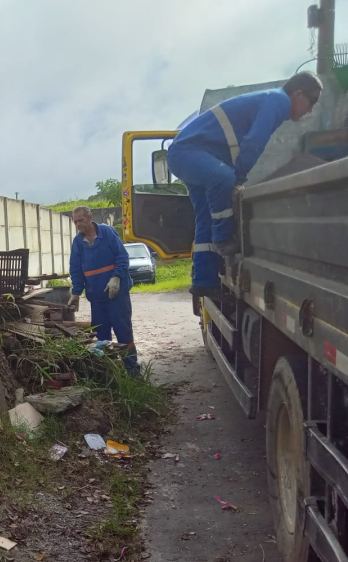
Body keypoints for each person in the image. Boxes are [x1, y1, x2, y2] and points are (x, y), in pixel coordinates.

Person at [167, 71, 323, 298]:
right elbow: (254, 142)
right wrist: (239, 177)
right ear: (298, 94)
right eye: (312, 102)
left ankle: (203, 282)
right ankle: (222, 239)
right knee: (224, 178)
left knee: (205, 217)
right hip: (188, 153)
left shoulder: (270, 99)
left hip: (187, 154)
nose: (310, 110)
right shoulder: (278, 100)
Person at [66, 206, 138, 375]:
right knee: (102, 337)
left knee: (124, 334)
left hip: (117, 295)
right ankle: (110, 374)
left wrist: (116, 277)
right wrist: (76, 293)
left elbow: (122, 257)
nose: (78, 225)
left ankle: (133, 373)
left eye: (80, 220)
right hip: (97, 298)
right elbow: (76, 270)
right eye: (75, 222)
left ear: (90, 217)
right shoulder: (78, 243)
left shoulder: (107, 233)